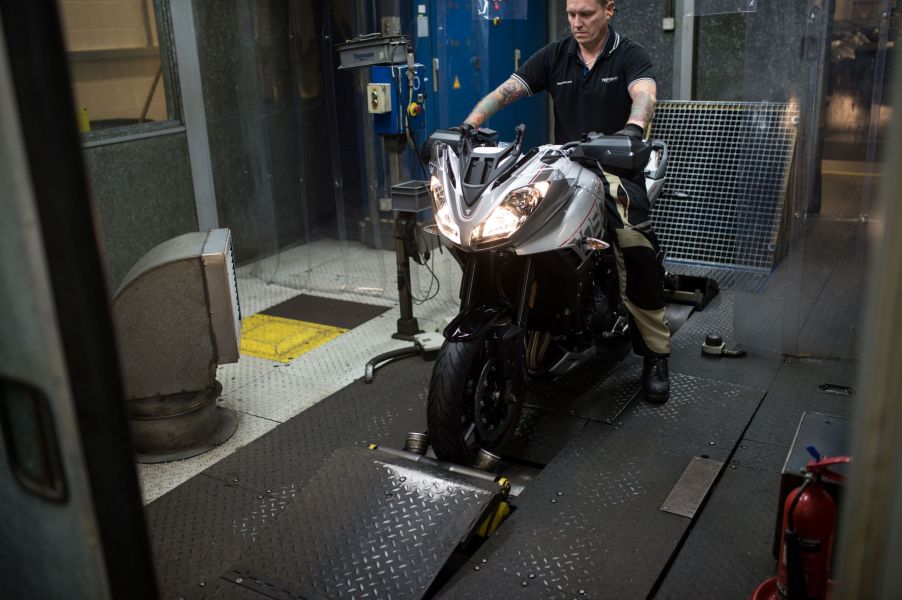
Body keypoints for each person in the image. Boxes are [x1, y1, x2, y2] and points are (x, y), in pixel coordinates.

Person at [462, 0, 671, 402]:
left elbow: (644, 96)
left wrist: (632, 130)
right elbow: (507, 91)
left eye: (586, 14)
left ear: (608, 10)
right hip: (563, 164)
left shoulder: (630, 55)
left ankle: (656, 355)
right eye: (571, 14)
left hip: (615, 165)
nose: (576, 23)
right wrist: (470, 125)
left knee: (634, 243)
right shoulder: (556, 56)